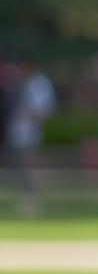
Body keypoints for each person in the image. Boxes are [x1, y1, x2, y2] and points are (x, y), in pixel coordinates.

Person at [3, 58, 56, 217]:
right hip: (19, 133)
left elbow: (41, 110)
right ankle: (29, 197)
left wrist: (28, 117)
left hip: (30, 135)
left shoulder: (39, 84)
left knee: (30, 167)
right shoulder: (25, 83)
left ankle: (33, 199)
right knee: (20, 169)